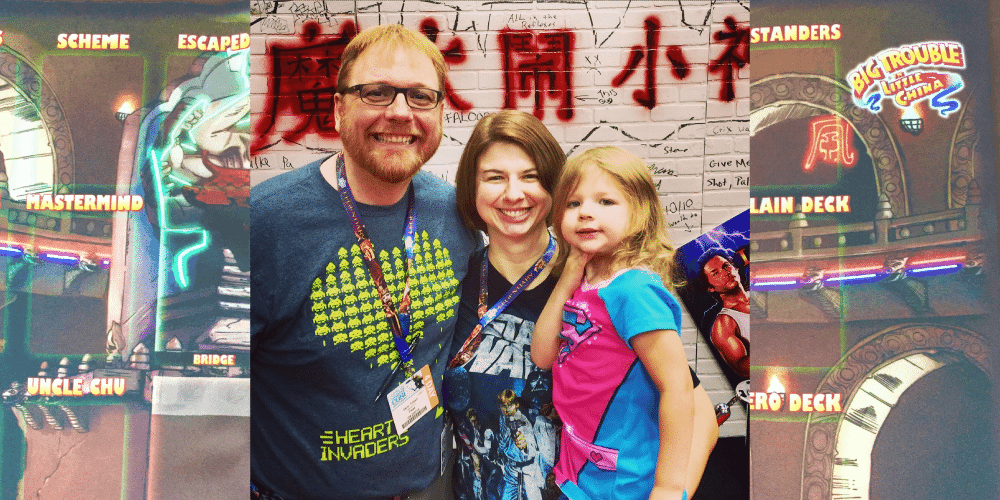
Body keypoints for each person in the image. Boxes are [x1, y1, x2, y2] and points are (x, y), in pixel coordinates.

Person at [251, 24, 479, 500]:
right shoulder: (266, 223)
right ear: (338, 107)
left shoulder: (458, 215)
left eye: (420, 96)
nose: (400, 112)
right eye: (376, 92)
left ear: (440, 113)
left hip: (424, 488)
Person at [531, 147, 695, 500]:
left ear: (640, 213)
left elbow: (678, 389)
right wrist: (568, 275)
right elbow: (543, 355)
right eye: (573, 204)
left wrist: (668, 486)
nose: (586, 212)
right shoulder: (585, 280)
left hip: (625, 481)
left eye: (605, 201)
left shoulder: (634, 291)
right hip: (581, 468)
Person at [447, 110, 566, 500]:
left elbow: (690, 405)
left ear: (554, 186)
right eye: (495, 177)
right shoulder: (452, 281)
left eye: (530, 176)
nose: (513, 194)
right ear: (472, 188)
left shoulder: (591, 281)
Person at [699, 252, 749, 378]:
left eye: (726, 266)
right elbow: (743, 369)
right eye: (715, 273)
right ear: (711, 288)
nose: (725, 272)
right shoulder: (723, 324)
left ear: (735, 268)